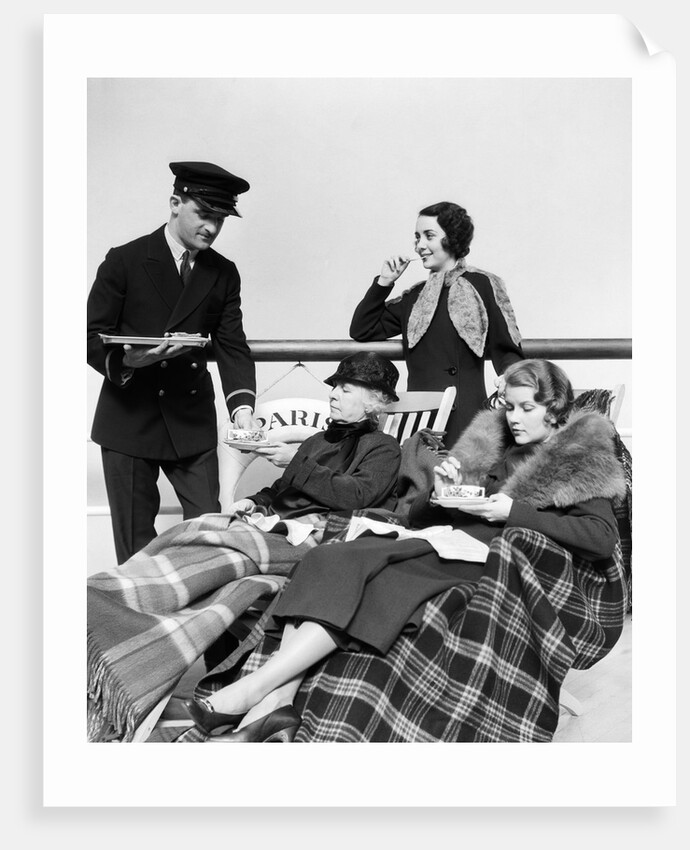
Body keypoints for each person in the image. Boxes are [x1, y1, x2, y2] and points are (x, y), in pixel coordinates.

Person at [183, 359, 627, 743]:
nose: (514, 418)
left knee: (384, 581)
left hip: (493, 561)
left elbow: (600, 537)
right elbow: (416, 516)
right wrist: (441, 492)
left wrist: (513, 511)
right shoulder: (490, 445)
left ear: (555, 409)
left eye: (527, 408)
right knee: (331, 556)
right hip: (445, 540)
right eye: (509, 406)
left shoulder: (578, 459)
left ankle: (253, 692)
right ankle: (277, 700)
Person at [87, 352, 403, 742]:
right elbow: (281, 490)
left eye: (346, 389)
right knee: (200, 527)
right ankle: (123, 592)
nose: (334, 394)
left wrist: (295, 462)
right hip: (271, 526)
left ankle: (117, 596)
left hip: (312, 537)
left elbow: (357, 496)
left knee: (215, 538)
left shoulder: (383, 448)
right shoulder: (319, 439)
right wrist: (254, 502)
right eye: (335, 386)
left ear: (374, 401)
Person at [87, 161, 261, 563]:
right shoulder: (125, 260)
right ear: (174, 203)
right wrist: (129, 361)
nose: (212, 228)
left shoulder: (223, 273)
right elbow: (91, 336)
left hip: (190, 418)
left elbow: (232, 345)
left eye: (220, 219)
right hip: (129, 420)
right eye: (204, 214)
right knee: (136, 553)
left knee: (208, 539)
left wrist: (243, 409)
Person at [350, 201, 525, 447]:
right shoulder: (414, 297)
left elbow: (506, 348)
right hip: (418, 417)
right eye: (417, 237)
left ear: (451, 238)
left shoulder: (483, 285)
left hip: (466, 415)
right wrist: (384, 281)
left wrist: (511, 381)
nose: (419, 245)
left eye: (429, 236)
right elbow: (362, 329)